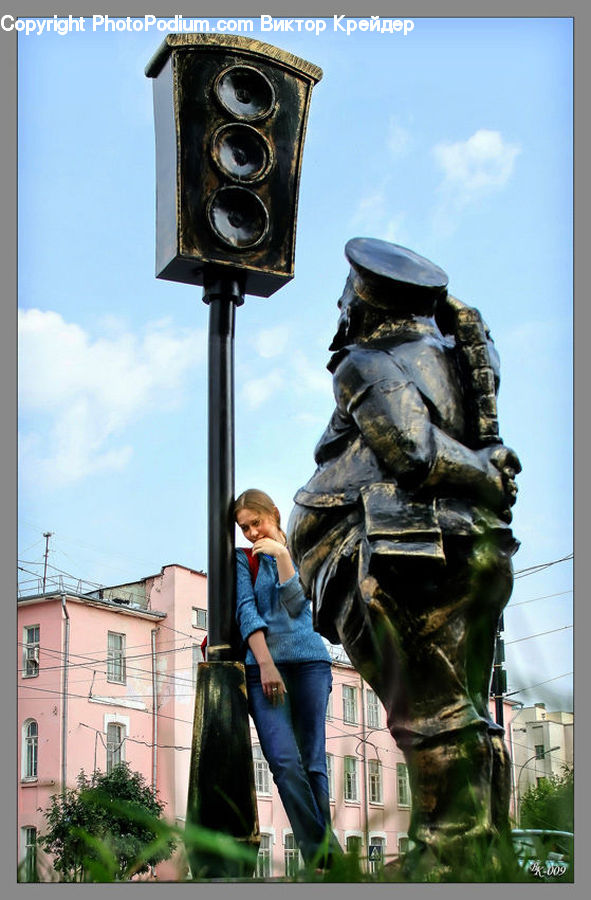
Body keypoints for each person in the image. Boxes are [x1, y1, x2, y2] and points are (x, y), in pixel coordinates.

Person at [287, 238, 521, 876]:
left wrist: (482, 475)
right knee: (463, 709)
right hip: (460, 545)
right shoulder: (463, 358)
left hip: (402, 551)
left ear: (359, 300)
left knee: (434, 714)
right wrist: (488, 475)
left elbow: (412, 452)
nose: (339, 304)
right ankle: (482, 851)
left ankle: (448, 861)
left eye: (344, 292)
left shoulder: (367, 361)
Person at [234, 488, 341, 870]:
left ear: (274, 514)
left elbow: (298, 605)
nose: (250, 533)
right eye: (243, 527)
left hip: (311, 663)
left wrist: (282, 555)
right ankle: (328, 856)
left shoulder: (303, 550)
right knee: (282, 759)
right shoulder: (241, 559)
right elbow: (247, 612)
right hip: (263, 666)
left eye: (255, 523)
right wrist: (265, 664)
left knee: (313, 762)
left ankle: (325, 868)